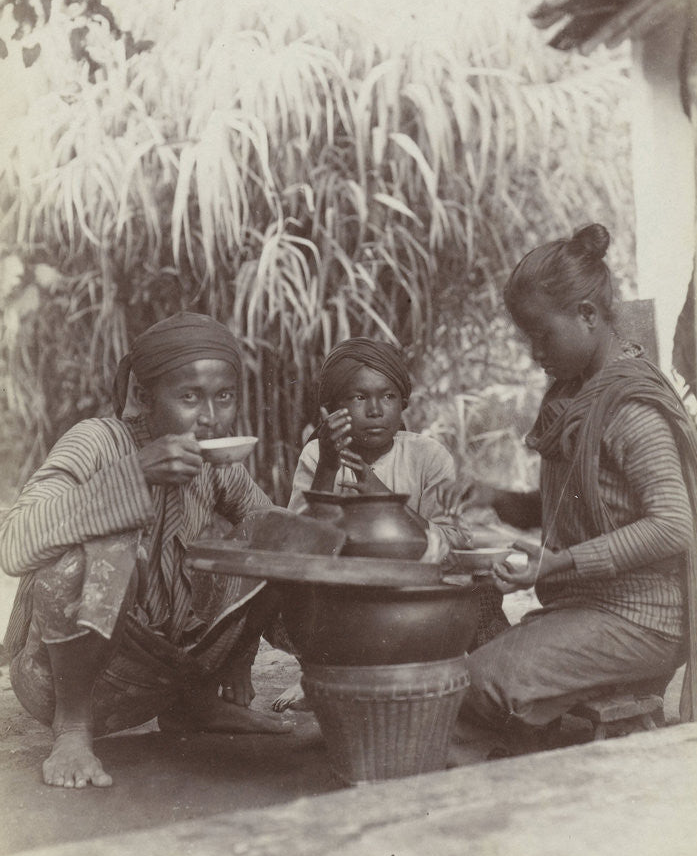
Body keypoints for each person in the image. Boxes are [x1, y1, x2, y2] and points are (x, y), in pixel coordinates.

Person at [0, 312, 293, 790]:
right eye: (189, 397)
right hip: (72, 684)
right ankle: (72, 731)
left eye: (224, 397)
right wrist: (133, 474)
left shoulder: (214, 463)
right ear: (142, 395)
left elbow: (278, 531)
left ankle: (197, 704)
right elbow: (13, 545)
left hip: (166, 678)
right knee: (102, 545)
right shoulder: (96, 441)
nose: (211, 417)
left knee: (271, 535)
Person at [460, 224, 697, 750]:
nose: (535, 352)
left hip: (643, 619)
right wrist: (496, 498)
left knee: (473, 682)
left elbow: (673, 526)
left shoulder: (630, 408)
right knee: (467, 646)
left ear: (588, 315)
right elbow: (577, 506)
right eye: (528, 338)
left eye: (542, 335)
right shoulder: (577, 395)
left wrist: (561, 563)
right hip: (593, 607)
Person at [273, 336, 507, 711]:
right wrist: (329, 468)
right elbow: (300, 546)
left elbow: (452, 543)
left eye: (388, 396)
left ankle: (500, 683)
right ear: (331, 410)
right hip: (346, 599)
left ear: (403, 403)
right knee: (276, 593)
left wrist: (381, 497)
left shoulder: (428, 456)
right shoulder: (317, 455)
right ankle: (320, 676)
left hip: (414, 599)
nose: (375, 410)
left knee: (482, 593)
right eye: (358, 397)